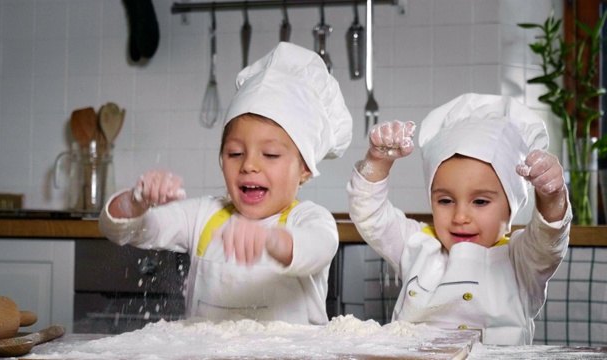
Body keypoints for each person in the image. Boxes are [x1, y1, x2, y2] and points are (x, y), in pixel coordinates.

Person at [99, 42, 352, 326]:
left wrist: (271, 241)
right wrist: (136, 201)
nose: (249, 165)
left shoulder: (309, 219)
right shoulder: (204, 216)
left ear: (304, 168)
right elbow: (124, 230)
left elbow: (315, 248)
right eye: (235, 153)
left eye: (269, 154)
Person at [347, 93, 572, 345]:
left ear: (511, 206)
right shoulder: (416, 245)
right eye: (445, 201)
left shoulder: (522, 260)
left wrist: (552, 196)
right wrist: (377, 162)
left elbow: (550, 238)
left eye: (480, 202)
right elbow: (369, 213)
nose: (460, 217)